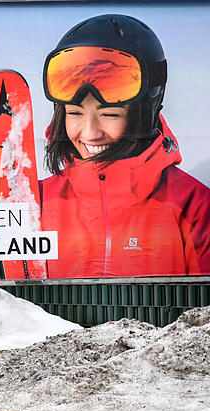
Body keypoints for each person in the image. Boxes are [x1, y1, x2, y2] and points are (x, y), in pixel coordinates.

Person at [39, 13, 210, 278]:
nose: (90, 133)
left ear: (143, 115)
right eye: (74, 113)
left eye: (110, 114)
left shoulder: (194, 206)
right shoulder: (33, 205)